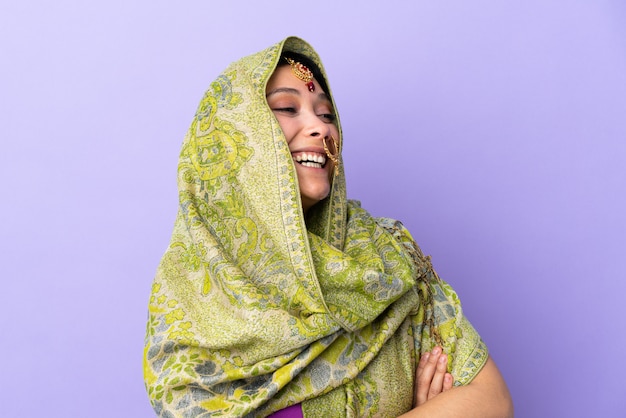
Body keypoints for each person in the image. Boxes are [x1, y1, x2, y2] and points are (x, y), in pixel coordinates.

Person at [143, 36, 513, 417]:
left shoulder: (386, 256)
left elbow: (493, 402)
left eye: (326, 114)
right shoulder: (189, 296)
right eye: (287, 108)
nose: (320, 129)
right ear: (231, 136)